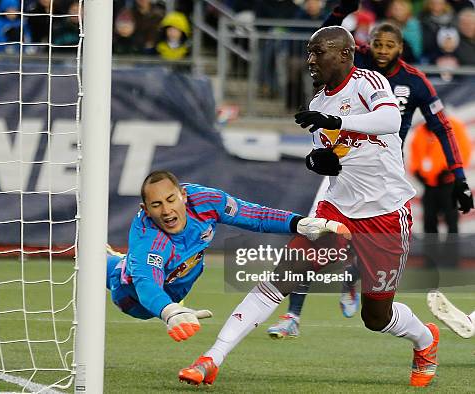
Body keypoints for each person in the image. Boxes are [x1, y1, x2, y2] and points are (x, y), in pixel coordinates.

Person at [179, 26, 439, 388]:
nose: (310, 60)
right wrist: (321, 161)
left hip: (385, 214)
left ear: (345, 54)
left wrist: (336, 123)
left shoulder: (369, 82)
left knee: (376, 316)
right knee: (278, 279)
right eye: (309, 52)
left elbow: (390, 120)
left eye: (319, 52)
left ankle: (425, 339)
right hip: (337, 213)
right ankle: (212, 358)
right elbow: (337, 154)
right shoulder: (318, 104)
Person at [267, 0, 473, 339]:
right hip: (340, 161)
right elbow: (325, 38)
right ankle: (293, 315)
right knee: (313, 232)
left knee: (369, 246)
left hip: (380, 168)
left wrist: (461, 179)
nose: (381, 50)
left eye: (389, 45)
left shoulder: (415, 81)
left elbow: (443, 128)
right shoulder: (357, 63)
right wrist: (339, 11)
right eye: (376, 43)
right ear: (366, 45)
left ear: (401, 48)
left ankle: (352, 277)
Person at [105, 170, 351, 342]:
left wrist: (299, 223)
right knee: (104, 267)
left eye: (171, 199)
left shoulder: (205, 201)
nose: (167, 210)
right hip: (133, 298)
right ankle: (102, 259)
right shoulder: (149, 239)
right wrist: (169, 311)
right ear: (145, 210)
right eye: (156, 205)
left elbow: (256, 216)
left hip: (176, 285)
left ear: (183, 195)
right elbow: (146, 283)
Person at [409, 116, 472, 268]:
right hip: (430, 186)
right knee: (429, 223)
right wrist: (418, 172)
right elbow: (415, 154)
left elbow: (464, 150)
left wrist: (449, 171)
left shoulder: (454, 127)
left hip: (449, 185)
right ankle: (430, 261)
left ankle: (451, 261)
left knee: (452, 222)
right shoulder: (421, 131)